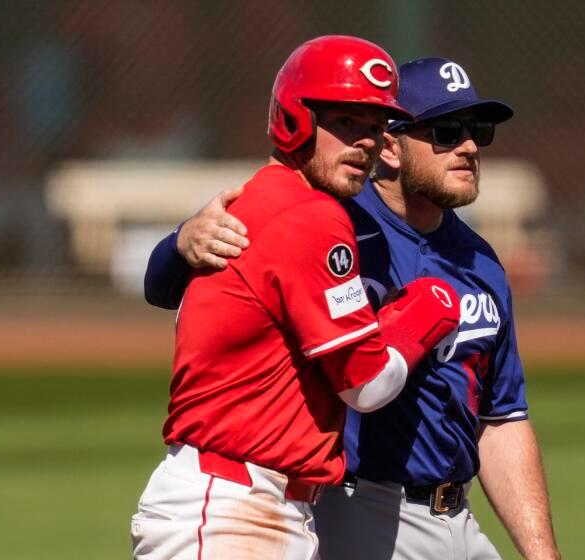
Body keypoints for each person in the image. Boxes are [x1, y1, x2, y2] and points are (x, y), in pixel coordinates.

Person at [145, 57, 561, 560]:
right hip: (354, 509)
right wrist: (182, 240)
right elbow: (166, 284)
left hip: (452, 518)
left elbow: (501, 417)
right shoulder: (324, 221)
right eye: (446, 131)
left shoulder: (481, 263)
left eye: (479, 131)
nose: (469, 146)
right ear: (392, 147)